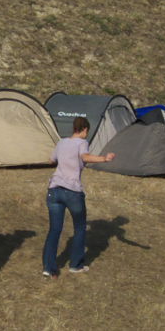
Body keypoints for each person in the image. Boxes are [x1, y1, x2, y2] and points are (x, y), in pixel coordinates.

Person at [42, 117, 116, 279]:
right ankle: (75, 265)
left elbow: (51, 160)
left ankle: (48, 268)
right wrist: (104, 158)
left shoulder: (61, 142)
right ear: (84, 130)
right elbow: (85, 157)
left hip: (54, 190)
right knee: (80, 228)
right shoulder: (82, 143)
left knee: (54, 229)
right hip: (72, 192)